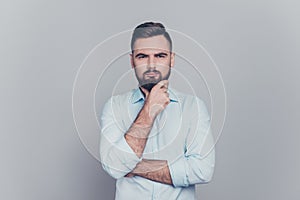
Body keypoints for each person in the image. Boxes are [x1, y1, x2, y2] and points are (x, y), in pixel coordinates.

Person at [100, 22, 215, 200]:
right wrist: (148, 111)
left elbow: (203, 170)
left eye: (160, 55)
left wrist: (135, 166)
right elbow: (114, 168)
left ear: (172, 59)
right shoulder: (115, 107)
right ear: (132, 61)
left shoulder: (194, 107)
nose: (151, 65)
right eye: (142, 56)